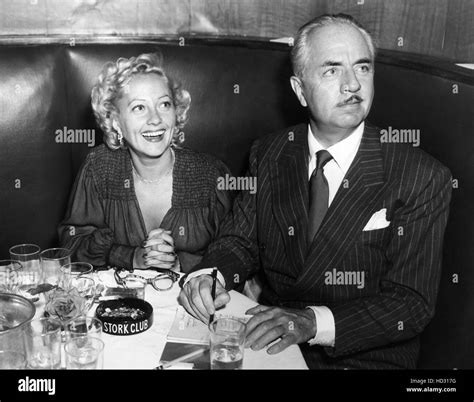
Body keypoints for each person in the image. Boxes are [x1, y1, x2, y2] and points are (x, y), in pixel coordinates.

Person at [178, 14, 452, 369]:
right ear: (299, 90)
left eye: (363, 68)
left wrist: (311, 322)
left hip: (363, 359)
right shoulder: (271, 152)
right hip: (267, 341)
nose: (352, 84)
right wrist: (208, 276)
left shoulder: (422, 176)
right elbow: (238, 241)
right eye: (332, 70)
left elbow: (411, 304)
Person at [58, 53, 232, 273]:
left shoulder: (210, 175)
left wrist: (181, 264)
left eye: (164, 104)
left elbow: (236, 252)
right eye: (139, 108)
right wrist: (132, 257)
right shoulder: (99, 168)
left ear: (176, 113)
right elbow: (71, 245)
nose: (155, 119)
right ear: (115, 122)